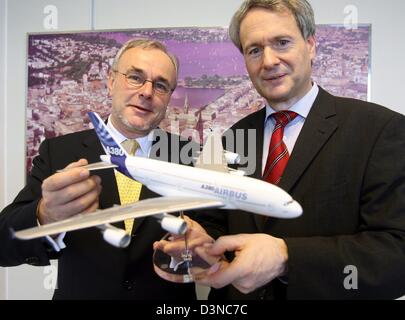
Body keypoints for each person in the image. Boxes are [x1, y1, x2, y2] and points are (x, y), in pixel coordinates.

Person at [157, 0, 405, 299]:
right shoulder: (233, 137)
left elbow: (396, 253)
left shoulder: (379, 130)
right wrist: (200, 241)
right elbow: (215, 224)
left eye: (282, 42)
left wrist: (287, 257)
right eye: (255, 50)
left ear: (311, 45)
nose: (269, 61)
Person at [0, 39, 198, 299]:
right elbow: (4, 243)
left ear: (169, 96)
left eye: (160, 85)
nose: (147, 92)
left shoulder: (192, 157)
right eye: (135, 77)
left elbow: (214, 240)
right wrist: (45, 214)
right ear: (110, 81)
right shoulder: (59, 152)